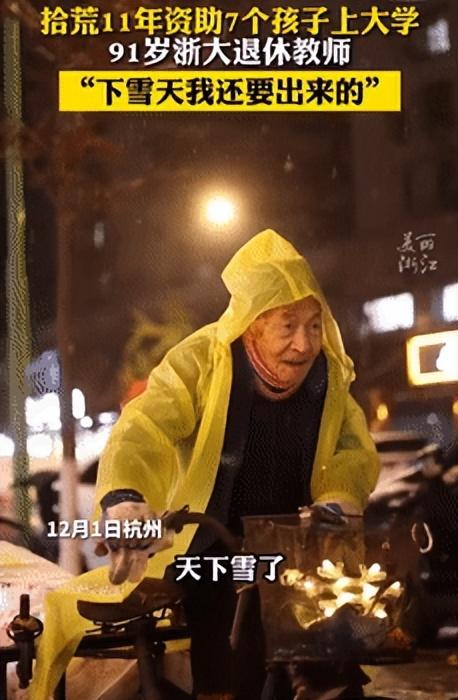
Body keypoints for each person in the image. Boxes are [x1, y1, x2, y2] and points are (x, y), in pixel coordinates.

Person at [31, 230, 380, 700]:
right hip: (209, 550)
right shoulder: (202, 362)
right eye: (288, 326)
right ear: (253, 326)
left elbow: (351, 447)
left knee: (334, 659)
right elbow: (145, 429)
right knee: (226, 651)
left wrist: (340, 498)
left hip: (299, 552)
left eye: (314, 325)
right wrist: (126, 497)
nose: (304, 344)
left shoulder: (328, 377)